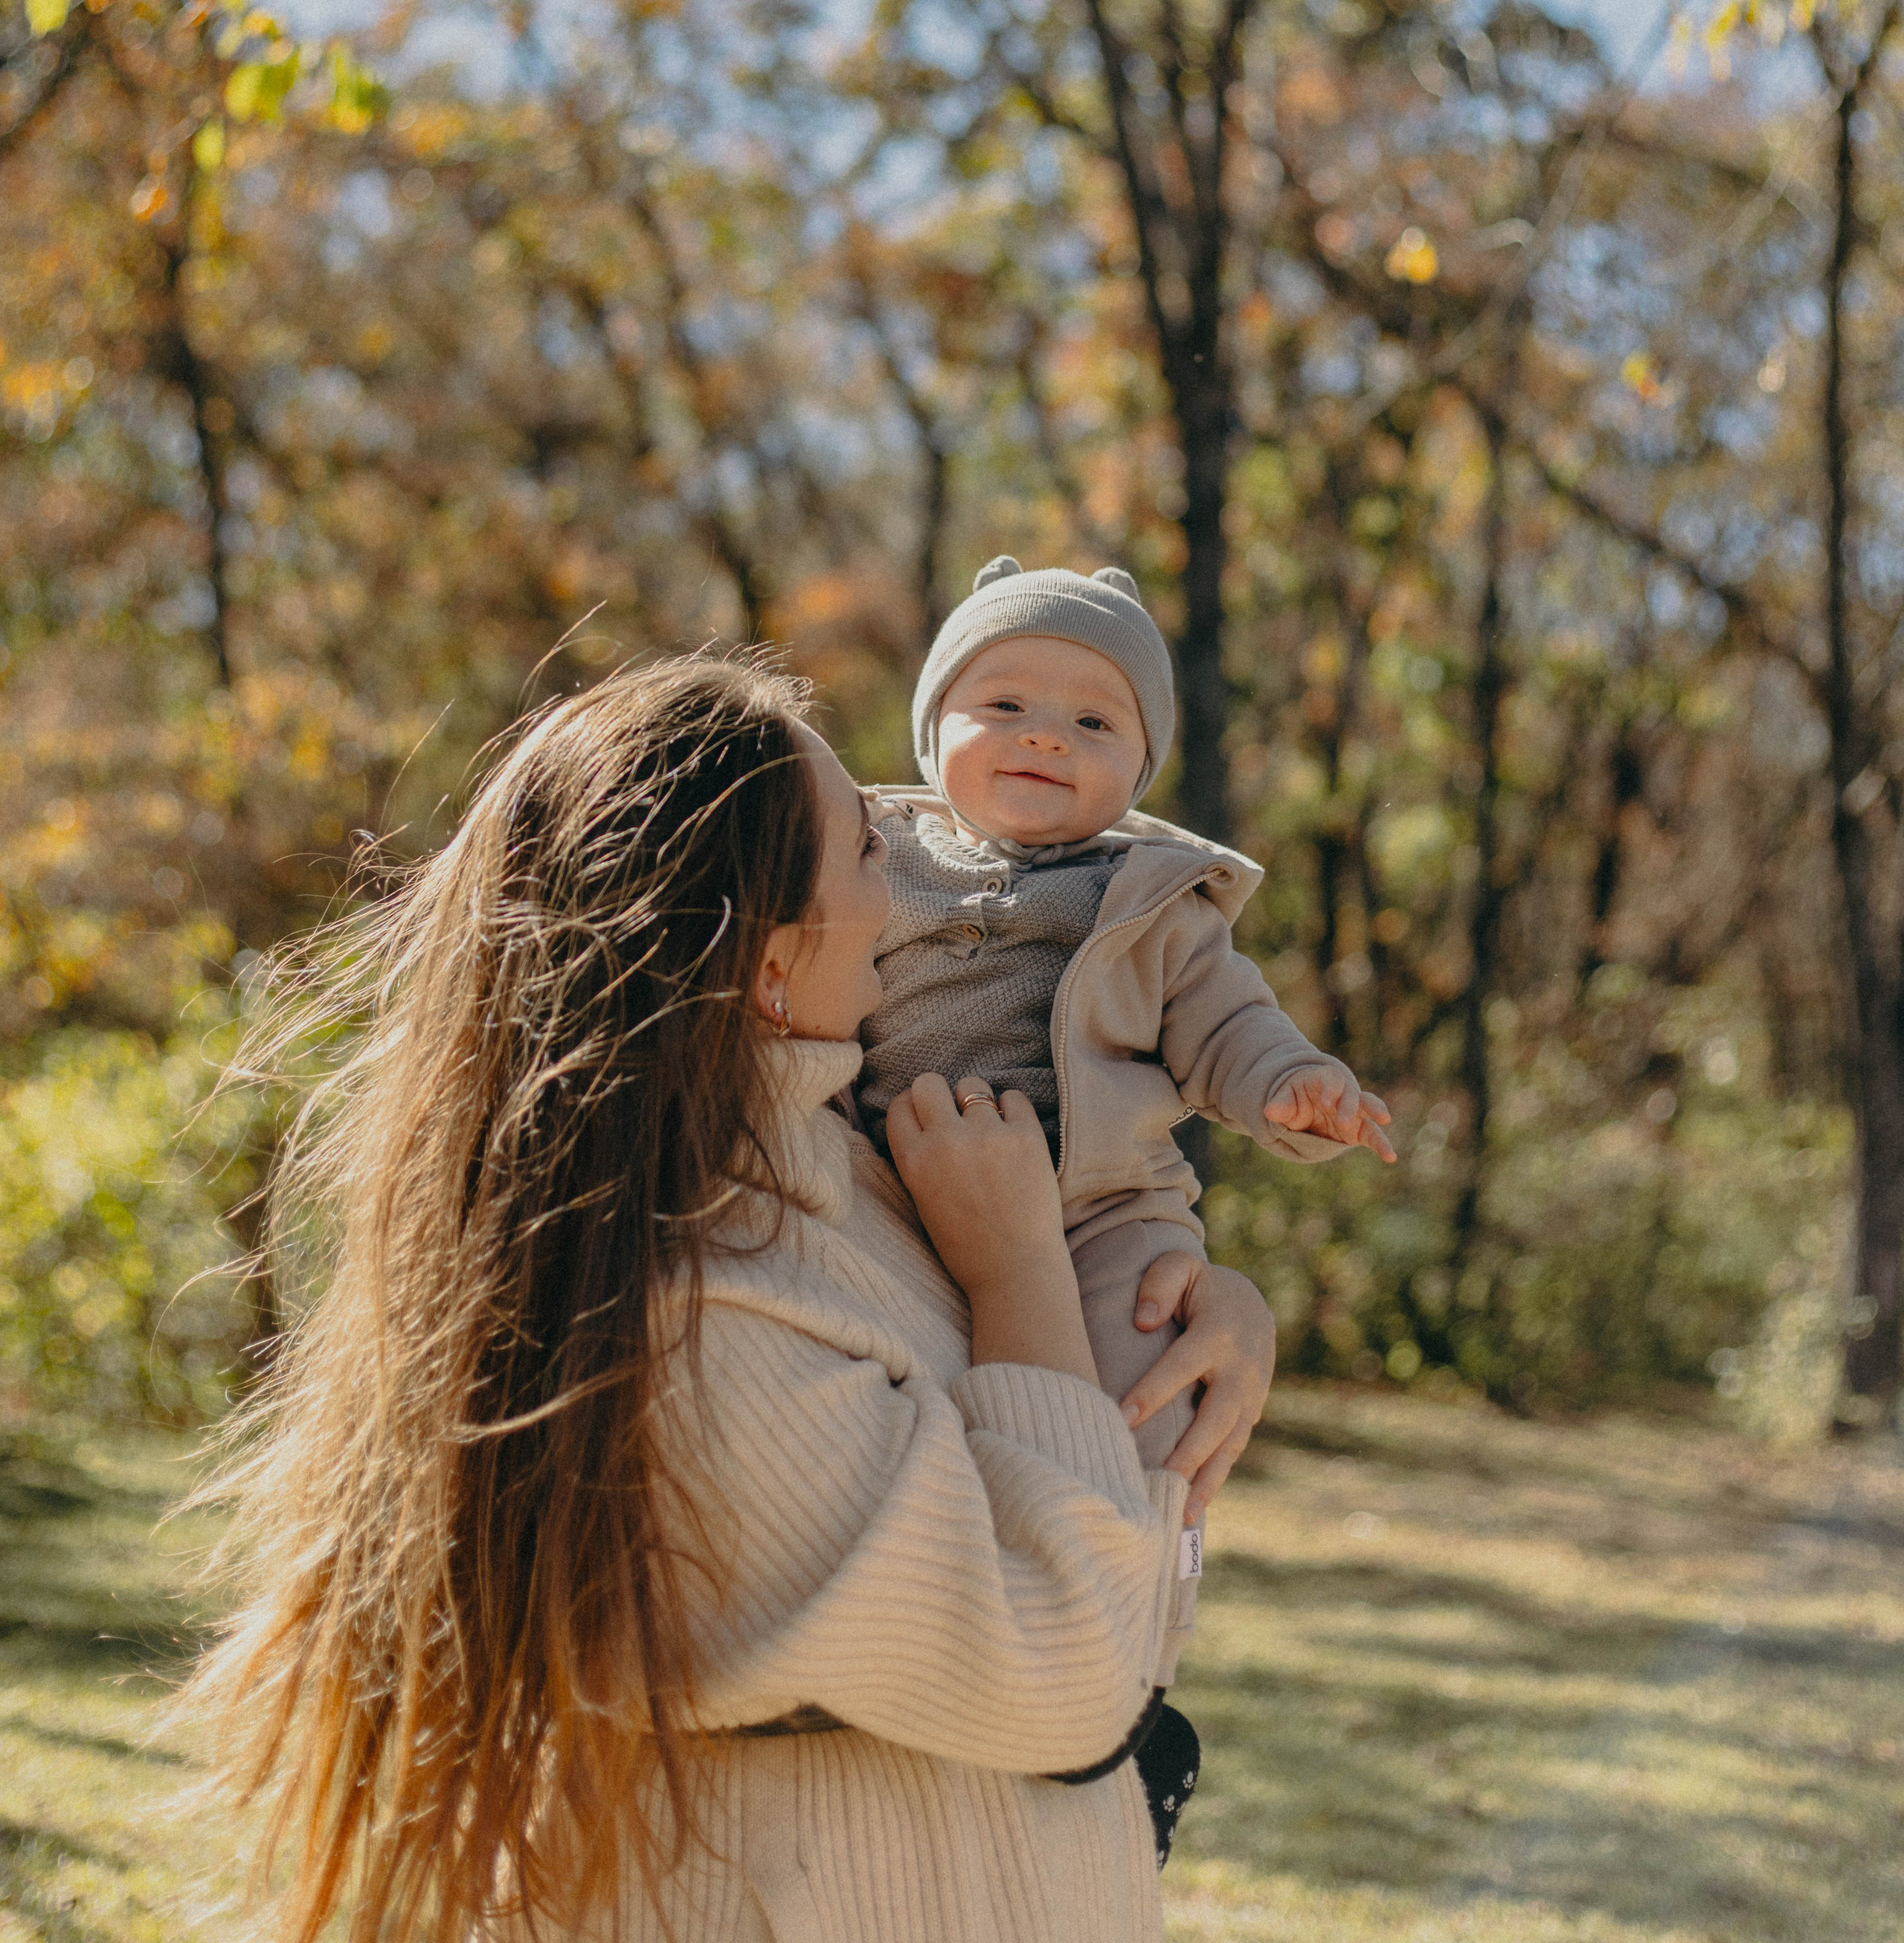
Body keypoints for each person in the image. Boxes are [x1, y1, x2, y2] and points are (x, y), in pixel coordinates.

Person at [178, 654, 1277, 1943]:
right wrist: (1024, 1270)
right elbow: (1077, 1668)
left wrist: (1191, 1305)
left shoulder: (853, 1174)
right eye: (874, 852)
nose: (912, 886)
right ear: (761, 955)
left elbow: (1120, 1569)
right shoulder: (695, 1317)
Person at [858, 555, 1398, 1710]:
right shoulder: (868, 855)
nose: (1045, 735)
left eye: (1092, 720)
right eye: (1003, 704)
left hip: (1103, 1211)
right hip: (890, 1180)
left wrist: (1293, 1084)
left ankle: (1145, 1651)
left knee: (1152, 1411)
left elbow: (1229, 1027)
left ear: (1139, 766)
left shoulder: (1152, 900)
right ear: (930, 730)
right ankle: (956, 1635)